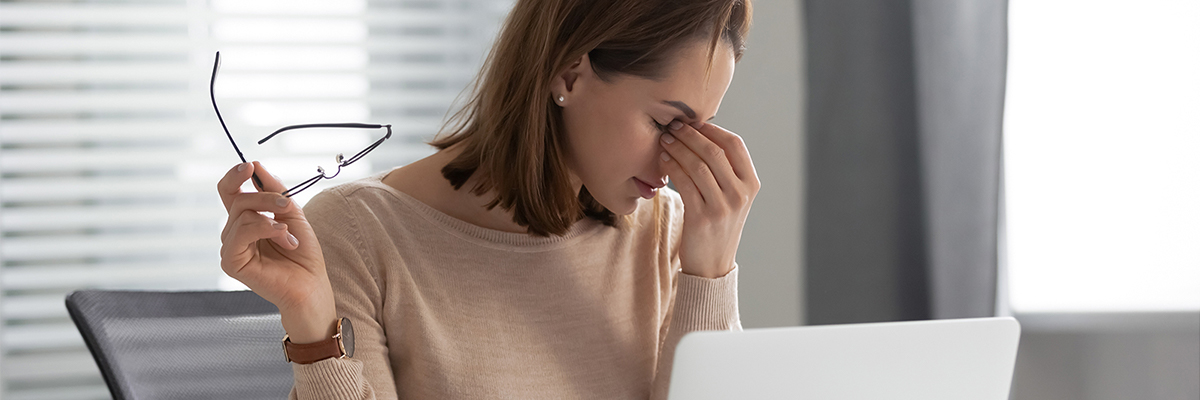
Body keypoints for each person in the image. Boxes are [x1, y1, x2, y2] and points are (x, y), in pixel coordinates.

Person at [216, 0, 756, 398]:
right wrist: (313, 329)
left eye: (701, 128)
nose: (677, 162)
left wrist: (709, 273)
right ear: (570, 74)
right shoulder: (361, 233)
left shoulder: (667, 234)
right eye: (666, 123)